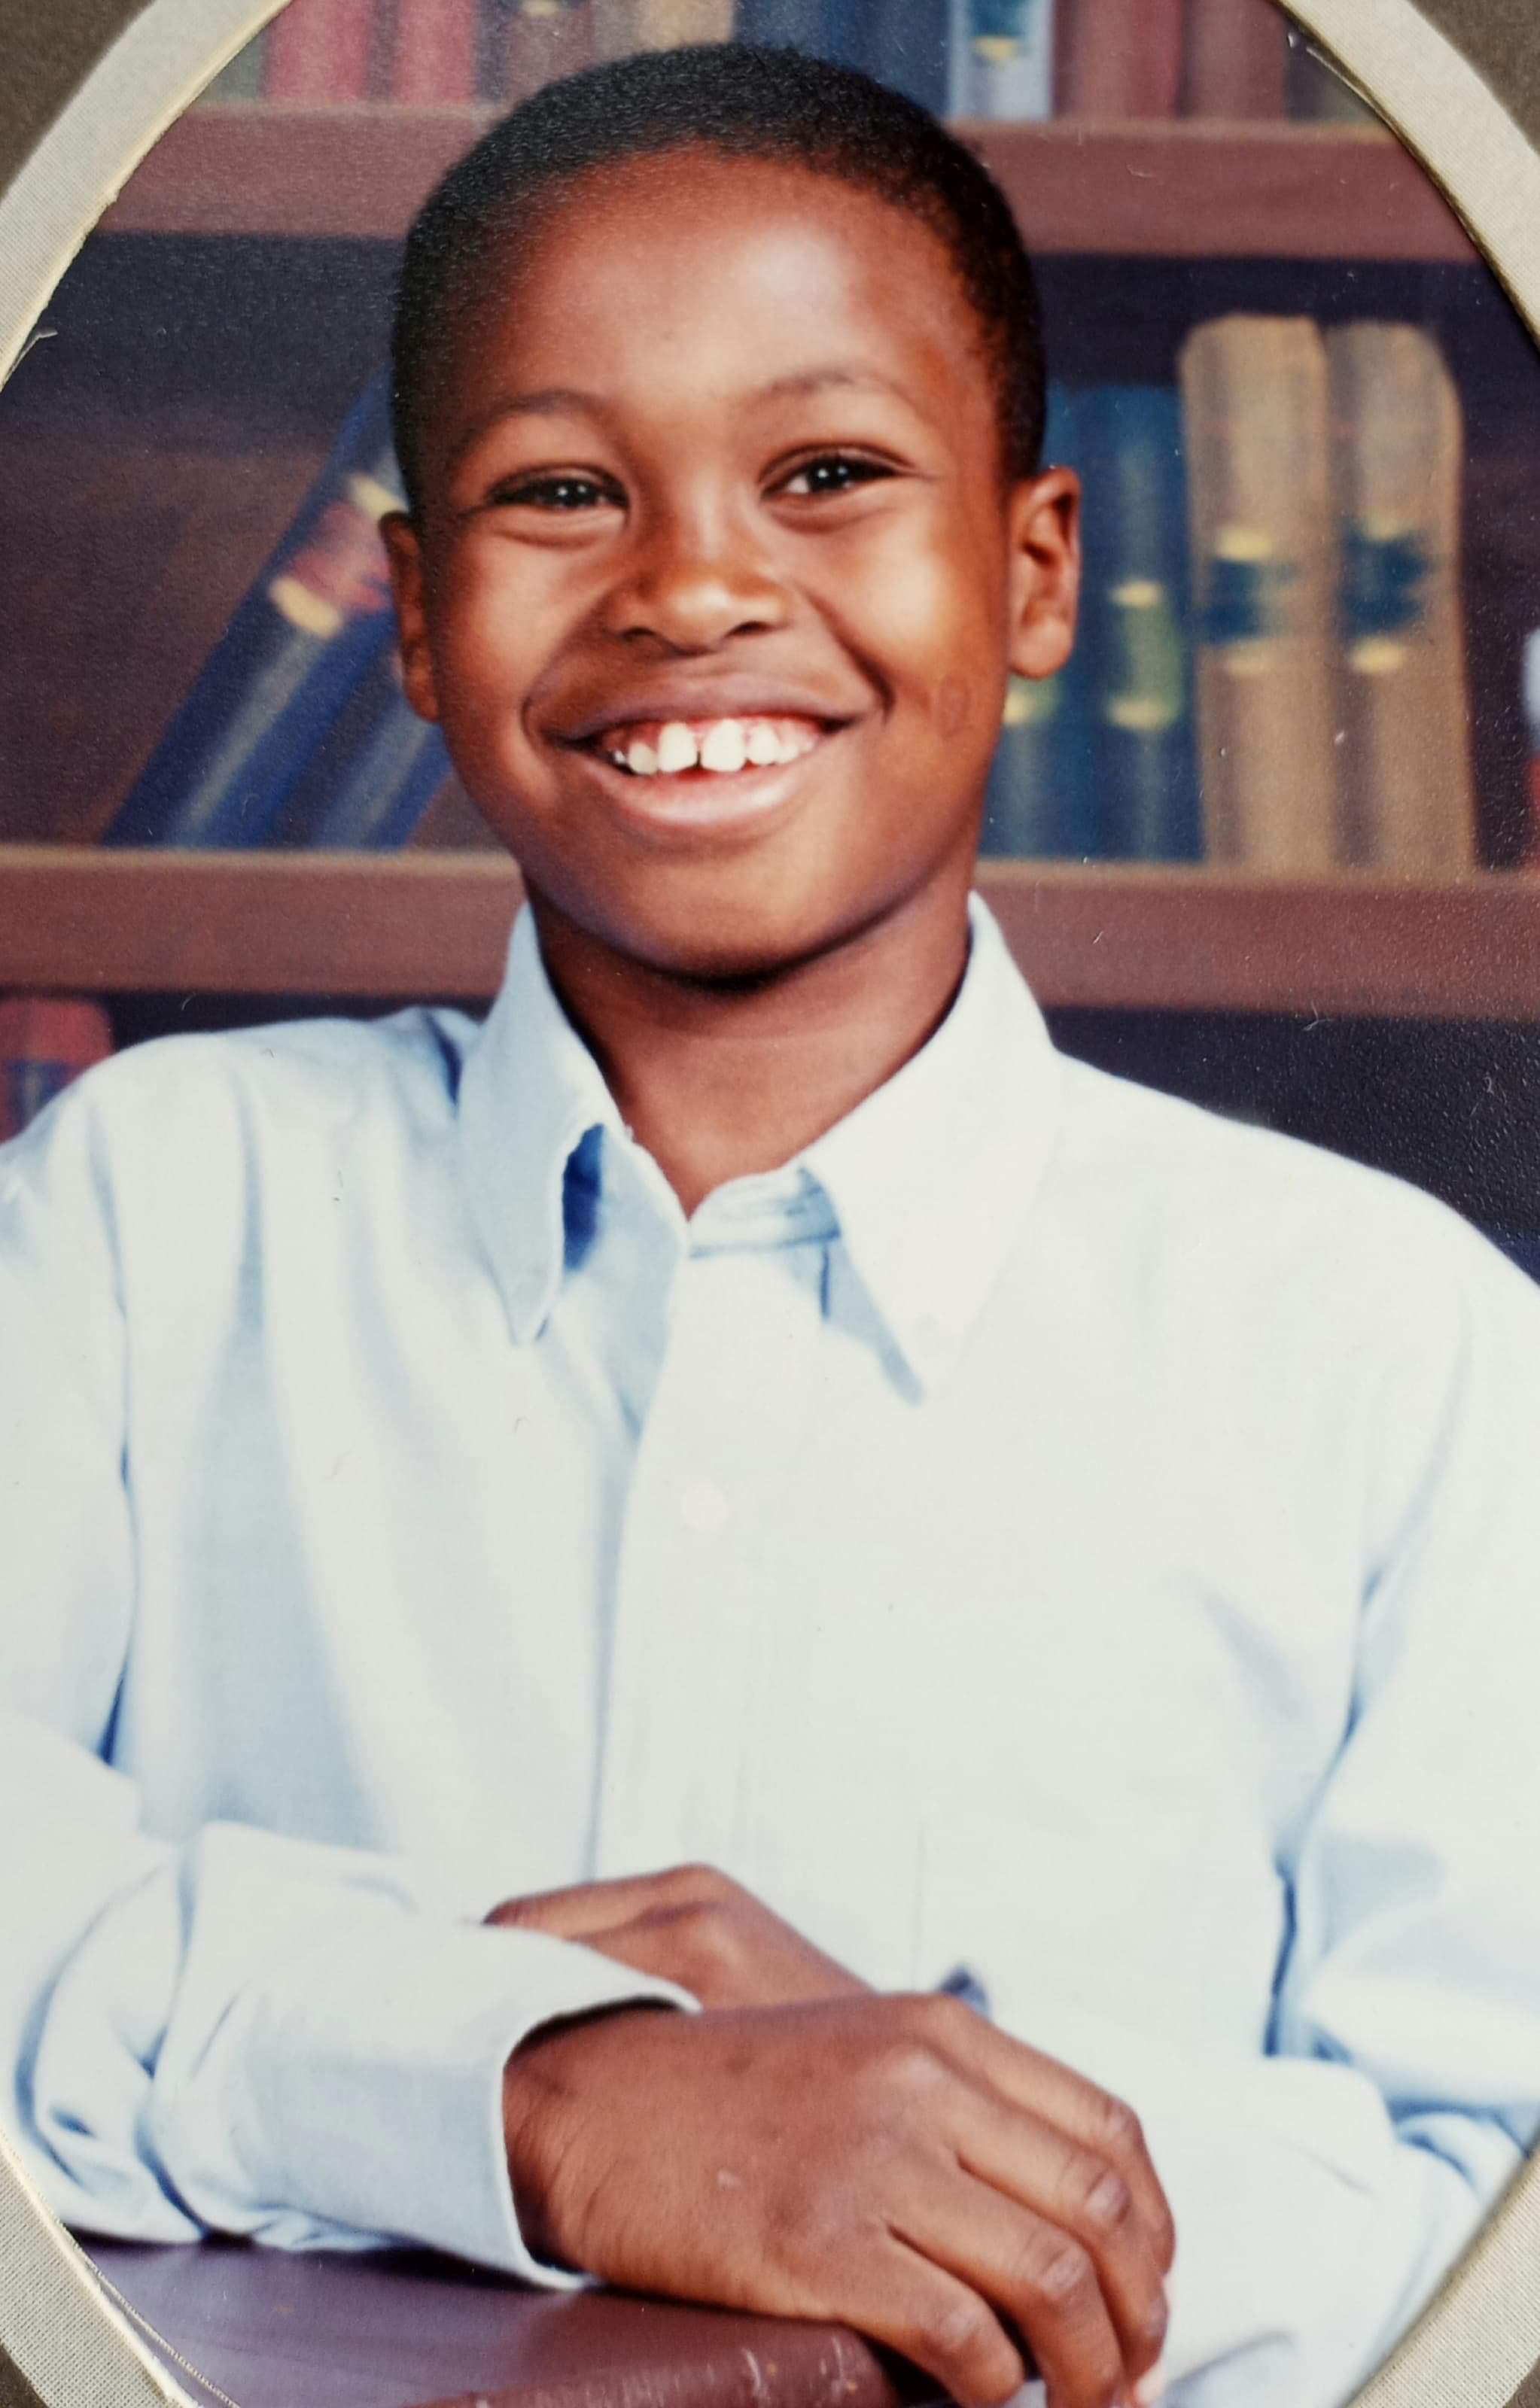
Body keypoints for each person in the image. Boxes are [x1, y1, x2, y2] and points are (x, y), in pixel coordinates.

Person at [4, 41, 1540, 2408]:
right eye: (558, 491)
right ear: (414, 623)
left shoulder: (1404, 1351)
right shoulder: (135, 1213)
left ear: (1033, 575)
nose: (699, 581)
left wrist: (895, 2116)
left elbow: (1486, 2218)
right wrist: (536, 2087)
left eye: (829, 473)